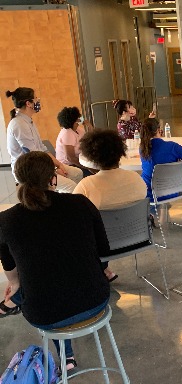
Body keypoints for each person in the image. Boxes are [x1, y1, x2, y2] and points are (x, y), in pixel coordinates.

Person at [0, 151, 110, 372]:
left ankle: (66, 357)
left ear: (18, 180)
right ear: (53, 178)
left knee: (43, 289)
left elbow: (13, 277)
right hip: (95, 301)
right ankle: (66, 355)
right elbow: (104, 252)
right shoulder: (80, 203)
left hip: (45, 314)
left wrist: (17, 291)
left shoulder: (6, 220)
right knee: (62, 279)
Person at [73, 129, 148, 282]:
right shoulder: (136, 179)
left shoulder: (86, 185)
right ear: (120, 152)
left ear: (91, 156)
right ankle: (104, 269)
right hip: (140, 239)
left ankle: (99, 271)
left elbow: (72, 215)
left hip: (104, 248)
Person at [5, 87, 82, 193]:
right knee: (70, 186)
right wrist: (53, 170)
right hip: (30, 172)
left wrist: (59, 164)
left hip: (39, 166)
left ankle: (58, 200)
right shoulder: (19, 124)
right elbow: (33, 155)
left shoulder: (28, 121)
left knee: (77, 173)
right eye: (36, 98)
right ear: (28, 103)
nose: (38, 101)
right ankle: (62, 205)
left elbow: (42, 148)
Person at [140, 118, 182, 201]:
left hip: (149, 194)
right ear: (159, 130)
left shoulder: (143, 149)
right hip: (172, 191)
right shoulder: (172, 147)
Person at [55, 106, 95, 177]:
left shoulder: (78, 129)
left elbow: (91, 139)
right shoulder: (67, 134)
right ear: (74, 120)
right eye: (78, 117)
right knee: (94, 174)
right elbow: (70, 158)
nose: (80, 118)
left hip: (80, 159)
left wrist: (89, 126)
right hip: (69, 165)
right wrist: (88, 168)